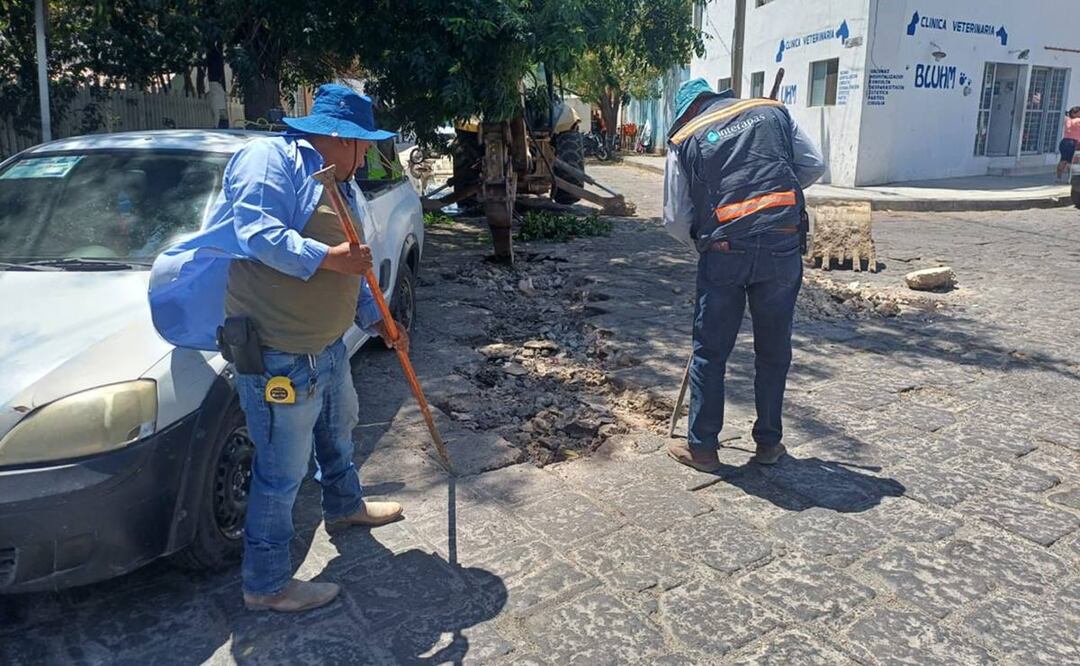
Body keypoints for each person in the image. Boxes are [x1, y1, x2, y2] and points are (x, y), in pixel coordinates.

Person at [149, 84, 409, 612]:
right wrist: (330, 258)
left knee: (338, 436)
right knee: (280, 471)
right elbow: (257, 233)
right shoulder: (271, 161)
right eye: (363, 146)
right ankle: (266, 585)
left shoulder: (342, 184)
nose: (366, 158)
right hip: (279, 358)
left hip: (329, 349)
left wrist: (375, 318)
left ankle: (344, 506)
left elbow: (353, 264)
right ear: (340, 139)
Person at [663, 78, 825, 473]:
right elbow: (813, 165)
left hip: (724, 252)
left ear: (686, 110)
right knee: (773, 350)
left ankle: (703, 449)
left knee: (710, 351)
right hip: (781, 244)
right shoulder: (772, 112)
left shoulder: (685, 137)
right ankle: (769, 444)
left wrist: (702, 242)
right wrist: (767, 200)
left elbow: (674, 219)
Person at [1057, 106, 1080, 180]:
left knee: (1063, 160)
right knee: (1072, 161)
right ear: (1075, 113)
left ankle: (1058, 177)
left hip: (1064, 141)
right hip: (1073, 142)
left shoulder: (1068, 120)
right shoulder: (1078, 120)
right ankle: (1070, 178)